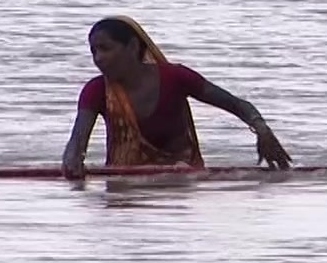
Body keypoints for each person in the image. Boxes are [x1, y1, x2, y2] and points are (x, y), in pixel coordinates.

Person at [62, 16, 292, 179]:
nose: (98, 58)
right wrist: (72, 160)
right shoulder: (96, 90)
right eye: (94, 51)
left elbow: (236, 104)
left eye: (105, 48)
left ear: (132, 47)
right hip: (124, 185)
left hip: (183, 183)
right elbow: (78, 140)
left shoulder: (175, 77)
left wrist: (262, 130)